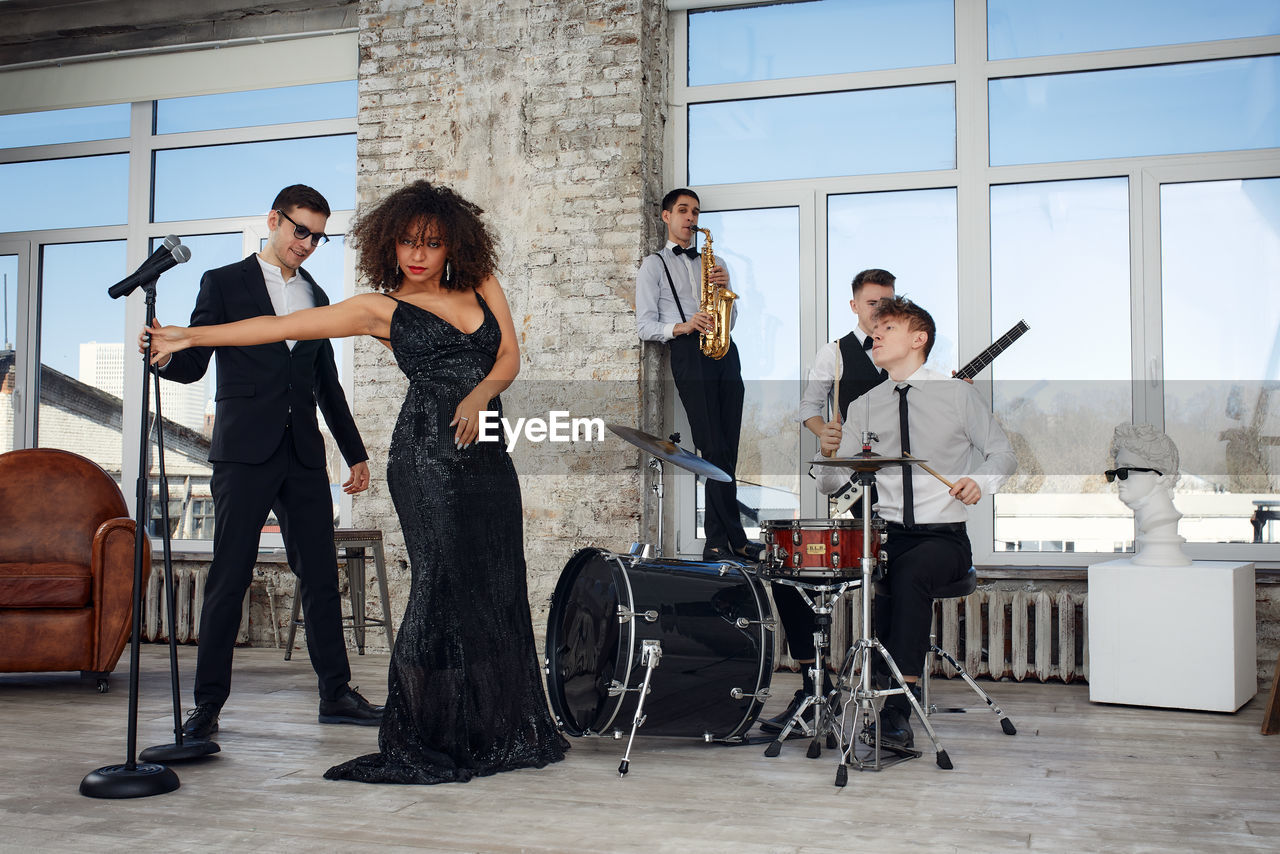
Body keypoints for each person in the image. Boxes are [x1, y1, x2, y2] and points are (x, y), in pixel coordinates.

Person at [144, 180, 568, 784]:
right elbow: (277, 327)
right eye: (405, 243)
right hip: (425, 458)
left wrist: (479, 396)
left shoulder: (481, 283)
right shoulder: (378, 308)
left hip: (488, 455)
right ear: (388, 246)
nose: (417, 255)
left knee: (495, 581)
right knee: (439, 588)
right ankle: (427, 726)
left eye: (431, 243)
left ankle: (490, 724)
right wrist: (191, 336)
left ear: (454, 247)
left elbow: (509, 359)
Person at [143, 184, 381, 741]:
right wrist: (161, 358)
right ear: (274, 220)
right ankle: (206, 708)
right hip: (244, 451)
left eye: (318, 237)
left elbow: (326, 382)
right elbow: (196, 361)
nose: (308, 244)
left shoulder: (319, 297)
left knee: (321, 576)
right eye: (300, 230)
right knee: (229, 576)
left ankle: (336, 693)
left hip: (302, 453)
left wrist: (355, 452)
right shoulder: (224, 282)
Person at [812, 296, 1016, 748]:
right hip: (886, 538)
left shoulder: (958, 395)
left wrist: (978, 481)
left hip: (943, 540)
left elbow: (1003, 454)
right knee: (847, 574)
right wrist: (829, 452)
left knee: (909, 575)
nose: (875, 335)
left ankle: (899, 711)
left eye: (888, 328)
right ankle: (834, 693)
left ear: (918, 338)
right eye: (875, 329)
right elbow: (830, 483)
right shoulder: (864, 405)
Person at [761, 269, 897, 734]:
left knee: (893, 583)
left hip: (899, 493)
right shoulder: (834, 353)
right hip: (846, 489)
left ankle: (894, 699)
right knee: (788, 575)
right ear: (855, 306)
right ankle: (812, 683)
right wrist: (826, 432)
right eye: (873, 302)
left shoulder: (905, 353)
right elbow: (807, 410)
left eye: (888, 301)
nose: (881, 309)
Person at [635, 188, 761, 561]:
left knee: (729, 448)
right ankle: (733, 538)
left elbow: (731, 318)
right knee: (713, 447)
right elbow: (645, 326)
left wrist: (723, 290)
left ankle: (717, 543)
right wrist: (684, 325)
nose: (691, 219)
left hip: (724, 351)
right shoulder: (654, 265)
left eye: (696, 213)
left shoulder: (716, 261)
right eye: (684, 211)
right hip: (689, 351)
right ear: (666, 216)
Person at [1109, 424, 1190, 566]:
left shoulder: (1163, 521)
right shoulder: (1149, 521)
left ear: (1160, 474)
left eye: (1126, 468)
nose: (1117, 478)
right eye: (1116, 470)